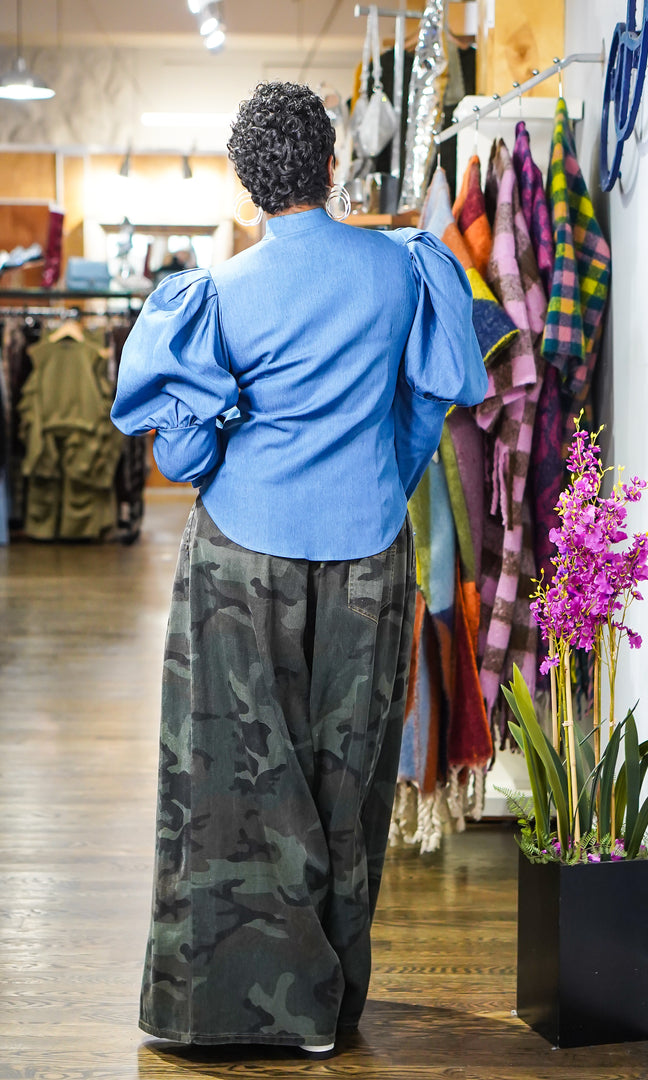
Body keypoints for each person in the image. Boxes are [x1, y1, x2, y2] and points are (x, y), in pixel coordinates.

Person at [111, 81, 488, 1057]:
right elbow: (427, 407)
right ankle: (325, 1013)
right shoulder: (409, 269)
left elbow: (183, 461)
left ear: (245, 189)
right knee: (348, 772)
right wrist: (375, 484)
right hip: (368, 550)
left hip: (240, 556)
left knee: (230, 780)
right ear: (331, 165)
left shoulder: (214, 296)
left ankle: (226, 1011)